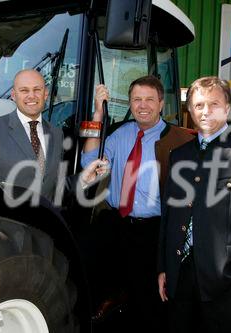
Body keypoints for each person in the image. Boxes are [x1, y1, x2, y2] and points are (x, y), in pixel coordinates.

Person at [158, 76, 231, 333]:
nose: (205, 111)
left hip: (225, 284)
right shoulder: (179, 156)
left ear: (227, 108)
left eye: (213, 104)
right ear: (190, 110)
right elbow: (168, 217)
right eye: (199, 105)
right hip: (179, 279)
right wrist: (164, 268)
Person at [80, 75, 193, 328]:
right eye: (137, 100)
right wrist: (98, 114)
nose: (143, 105)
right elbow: (88, 162)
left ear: (162, 104)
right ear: (130, 104)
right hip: (117, 224)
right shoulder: (120, 134)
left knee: (149, 302)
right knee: (96, 283)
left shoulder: (179, 141)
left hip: (153, 231)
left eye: (149, 100)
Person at [0, 68, 106, 201]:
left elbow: (53, 188)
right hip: (4, 224)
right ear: (13, 95)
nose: (31, 96)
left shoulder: (56, 134)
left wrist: (84, 179)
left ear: (46, 94)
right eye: (24, 90)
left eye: (37, 90)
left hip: (41, 226)